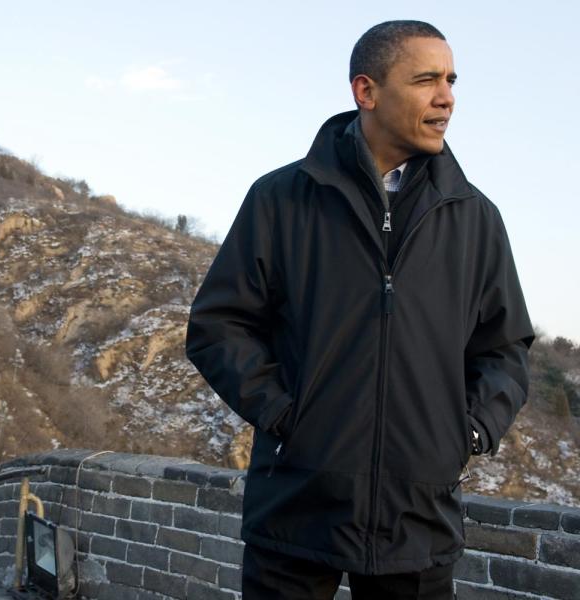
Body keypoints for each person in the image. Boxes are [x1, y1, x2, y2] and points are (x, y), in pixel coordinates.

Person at [184, 20, 533, 600]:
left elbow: (505, 346)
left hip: (418, 521)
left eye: (450, 80)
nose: (447, 97)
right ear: (365, 91)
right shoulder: (281, 198)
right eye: (426, 80)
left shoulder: (475, 217)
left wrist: (468, 431)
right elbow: (219, 325)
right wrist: (286, 416)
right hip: (295, 509)